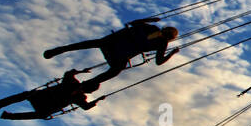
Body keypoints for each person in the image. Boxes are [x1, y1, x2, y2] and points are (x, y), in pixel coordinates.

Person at [44, 19, 179, 89]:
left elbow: (133, 23)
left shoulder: (152, 29)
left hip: (114, 43)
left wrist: (151, 20)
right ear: (171, 38)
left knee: (90, 44)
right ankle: (89, 83)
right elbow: (159, 62)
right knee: (114, 71)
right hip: (120, 52)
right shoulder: (161, 43)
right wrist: (172, 53)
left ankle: (60, 50)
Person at [0, 70, 100, 120]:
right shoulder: (80, 96)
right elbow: (86, 107)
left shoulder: (72, 83)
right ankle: (6, 113)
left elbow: (69, 73)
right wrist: (98, 100)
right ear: (90, 92)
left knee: (27, 96)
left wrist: (81, 71)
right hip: (45, 103)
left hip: (42, 99)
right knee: (42, 112)